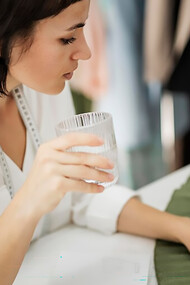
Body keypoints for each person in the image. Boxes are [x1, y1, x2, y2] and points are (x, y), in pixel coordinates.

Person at [0, 0, 190, 284]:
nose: (87, 52)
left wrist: (180, 228)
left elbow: (83, 197)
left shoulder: (41, 90)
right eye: (68, 38)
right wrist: (29, 203)